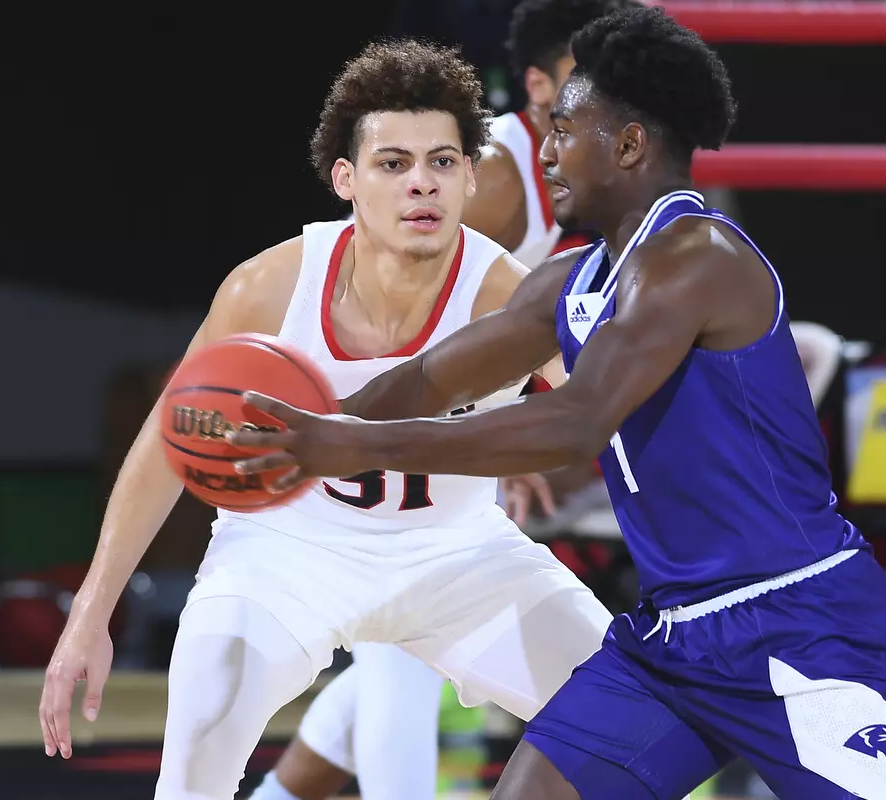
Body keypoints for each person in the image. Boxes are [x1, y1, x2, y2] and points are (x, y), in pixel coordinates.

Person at [228, 8, 886, 799]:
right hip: (672, 642)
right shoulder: (576, 279)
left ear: (628, 145)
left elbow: (576, 421)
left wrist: (354, 450)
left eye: (564, 132)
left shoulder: (696, 257)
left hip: (798, 625)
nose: (548, 153)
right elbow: (432, 379)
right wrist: (305, 422)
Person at [37, 39, 614, 800]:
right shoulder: (268, 289)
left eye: (443, 162)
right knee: (198, 743)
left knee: (628, 716)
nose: (422, 184)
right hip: (289, 550)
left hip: (460, 555)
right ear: (346, 178)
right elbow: (164, 442)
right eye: (393, 163)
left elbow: (616, 414)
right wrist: (91, 612)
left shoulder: (512, 296)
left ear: (471, 176)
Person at [249, 4, 640, 799]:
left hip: (427, 422)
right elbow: (394, 314)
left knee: (403, 650)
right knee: (401, 650)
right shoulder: (497, 177)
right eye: (589, 80)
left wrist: (502, 425)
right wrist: (481, 433)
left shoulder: (583, 172)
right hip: (367, 417)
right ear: (539, 88)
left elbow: (492, 333)